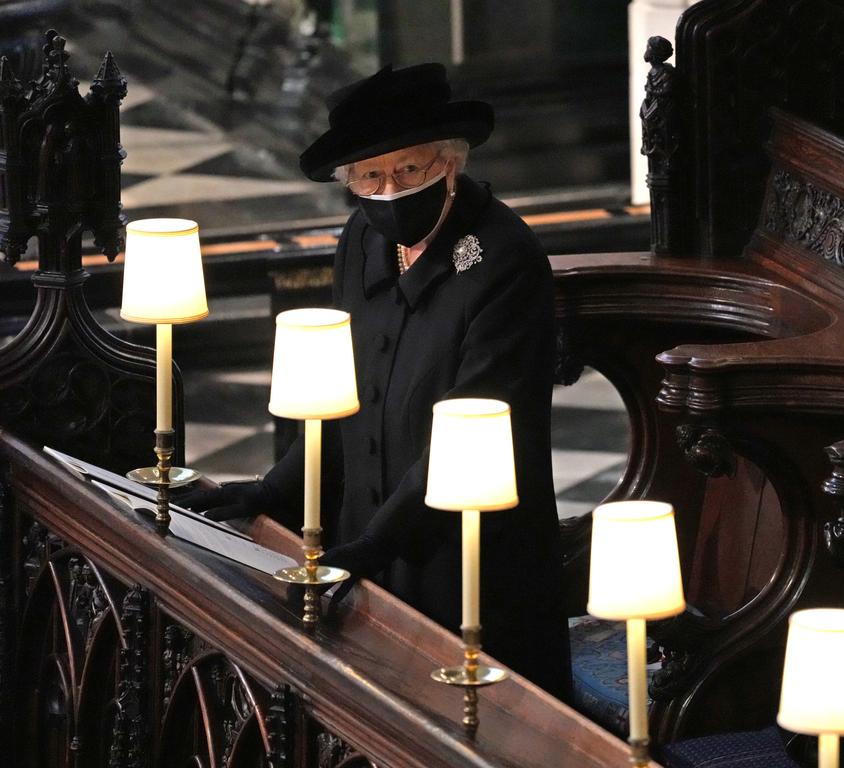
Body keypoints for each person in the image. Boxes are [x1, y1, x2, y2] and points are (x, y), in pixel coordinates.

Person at [179, 63, 571, 699]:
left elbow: (475, 425)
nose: (388, 190)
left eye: (408, 170)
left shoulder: (504, 258)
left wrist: (372, 547)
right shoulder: (362, 238)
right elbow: (342, 398)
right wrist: (270, 490)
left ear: (449, 163)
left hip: (463, 558)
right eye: (369, 176)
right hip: (362, 541)